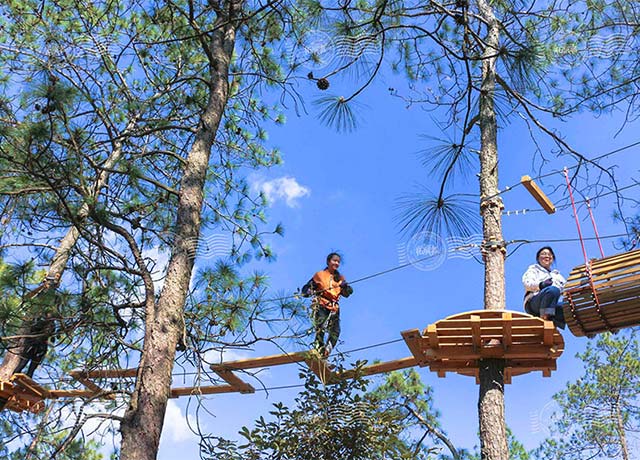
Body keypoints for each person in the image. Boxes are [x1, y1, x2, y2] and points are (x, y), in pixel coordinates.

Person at [301, 252, 354, 357]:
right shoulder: (320, 275)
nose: (337, 263)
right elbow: (307, 288)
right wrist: (308, 292)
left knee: (336, 331)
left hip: (334, 307)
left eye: (338, 262)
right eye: (334, 260)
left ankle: (326, 352)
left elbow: (348, 293)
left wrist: (345, 287)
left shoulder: (339, 278)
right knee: (320, 328)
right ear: (328, 261)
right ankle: (318, 351)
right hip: (321, 304)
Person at [522, 246, 566, 329]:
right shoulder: (534, 269)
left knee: (568, 307)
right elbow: (527, 283)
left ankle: (552, 319)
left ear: (552, 258)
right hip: (534, 303)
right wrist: (540, 285)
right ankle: (545, 318)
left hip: (550, 305)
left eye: (549, 255)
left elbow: (567, 288)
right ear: (538, 258)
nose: (547, 256)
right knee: (553, 290)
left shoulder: (557, 276)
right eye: (543, 254)